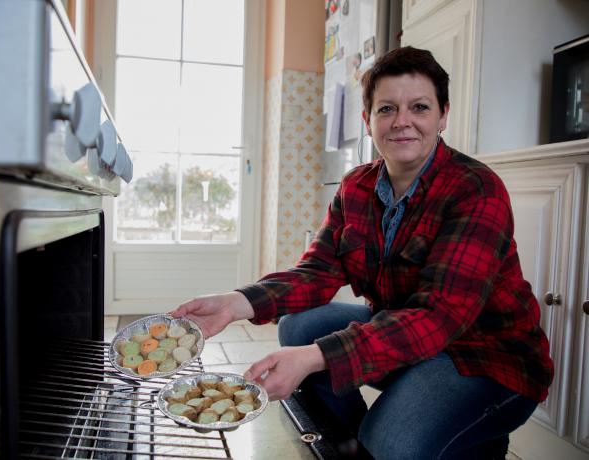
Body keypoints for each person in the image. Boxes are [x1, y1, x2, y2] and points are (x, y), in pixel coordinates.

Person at [172, 46, 554, 459]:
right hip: (406, 336)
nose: (402, 121)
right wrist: (237, 302)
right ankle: (360, 446)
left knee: (391, 439)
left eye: (419, 107)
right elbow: (317, 272)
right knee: (300, 326)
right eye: (387, 108)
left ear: (443, 116)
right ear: (368, 120)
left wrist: (316, 358)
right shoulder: (356, 186)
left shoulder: (475, 189)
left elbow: (438, 316)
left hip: (486, 358)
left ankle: (453, 433)